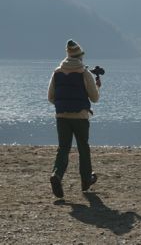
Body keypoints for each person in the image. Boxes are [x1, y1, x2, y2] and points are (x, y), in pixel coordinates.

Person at [48, 39, 101, 198]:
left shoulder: (57, 72)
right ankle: (86, 180)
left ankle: (56, 174)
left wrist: (63, 104)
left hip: (61, 116)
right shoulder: (85, 73)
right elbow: (94, 98)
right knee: (83, 147)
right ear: (80, 57)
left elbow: (51, 97)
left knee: (63, 148)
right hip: (80, 116)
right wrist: (98, 86)